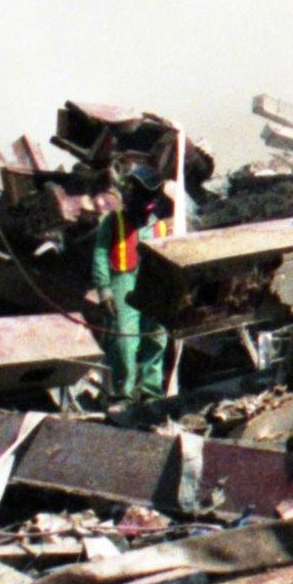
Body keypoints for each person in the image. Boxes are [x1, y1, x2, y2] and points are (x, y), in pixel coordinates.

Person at [87, 161, 170, 404]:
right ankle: (122, 392)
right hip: (124, 283)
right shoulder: (114, 221)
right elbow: (101, 254)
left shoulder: (162, 227)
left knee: (155, 338)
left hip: (154, 284)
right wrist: (104, 289)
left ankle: (151, 393)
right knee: (124, 339)